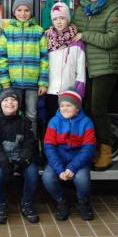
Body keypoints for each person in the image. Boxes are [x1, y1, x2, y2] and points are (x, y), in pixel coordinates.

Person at [71, 0, 118, 170]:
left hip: (105, 68)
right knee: (85, 109)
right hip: (85, 68)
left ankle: (106, 151)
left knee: (98, 110)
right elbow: (72, 34)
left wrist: (85, 35)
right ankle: (90, 149)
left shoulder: (114, 10)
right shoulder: (80, 10)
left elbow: (112, 39)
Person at [42, 88, 97, 221]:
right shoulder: (54, 121)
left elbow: (88, 148)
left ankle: (83, 202)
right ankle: (62, 201)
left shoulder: (86, 122)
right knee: (48, 177)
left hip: (78, 160)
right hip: (59, 159)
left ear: (77, 108)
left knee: (82, 179)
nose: (64, 108)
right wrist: (60, 169)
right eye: (62, 106)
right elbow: (49, 147)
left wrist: (72, 167)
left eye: (69, 105)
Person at [0, 0, 48, 137]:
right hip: (13, 83)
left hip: (33, 83)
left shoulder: (38, 31)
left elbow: (44, 59)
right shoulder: (7, 31)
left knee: (32, 113)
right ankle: (16, 141)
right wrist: (5, 81)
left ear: (31, 12)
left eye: (26, 10)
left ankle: (31, 143)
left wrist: (43, 82)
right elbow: (2, 58)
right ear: (14, 12)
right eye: (19, 10)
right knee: (13, 113)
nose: (23, 13)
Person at [0, 87, 39, 224]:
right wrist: (5, 163)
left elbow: (29, 143)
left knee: (33, 174)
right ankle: (0, 204)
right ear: (0, 103)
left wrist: (22, 160)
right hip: (2, 160)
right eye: (6, 100)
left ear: (19, 104)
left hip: (21, 159)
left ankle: (27, 203)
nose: (10, 103)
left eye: (13, 100)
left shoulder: (25, 122)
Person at [44, 2, 87, 132]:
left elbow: (81, 72)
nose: (59, 22)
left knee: (69, 127)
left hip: (69, 93)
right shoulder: (46, 40)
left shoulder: (77, 42)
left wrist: (78, 94)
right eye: (55, 19)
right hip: (50, 91)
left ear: (67, 19)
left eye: (62, 18)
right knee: (51, 126)